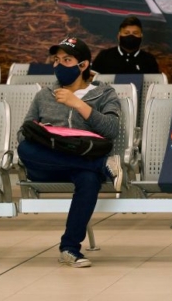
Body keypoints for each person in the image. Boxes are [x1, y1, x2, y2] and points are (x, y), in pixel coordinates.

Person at [17, 37, 123, 268]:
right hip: (47, 163)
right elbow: (23, 133)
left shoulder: (105, 94)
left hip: (80, 159)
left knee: (88, 180)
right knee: (24, 148)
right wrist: (42, 134)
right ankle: (100, 165)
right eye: (56, 60)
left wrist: (79, 104)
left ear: (83, 65)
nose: (59, 65)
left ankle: (69, 249)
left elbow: (111, 129)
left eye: (67, 60)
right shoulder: (44, 95)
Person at [91, 16, 160, 74]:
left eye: (135, 33)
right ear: (119, 36)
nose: (131, 36)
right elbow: (92, 80)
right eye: (126, 33)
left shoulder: (149, 59)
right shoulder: (104, 56)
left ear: (141, 36)